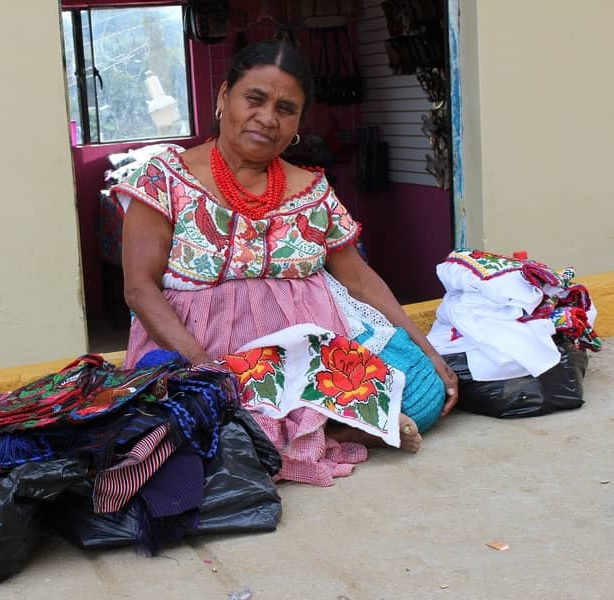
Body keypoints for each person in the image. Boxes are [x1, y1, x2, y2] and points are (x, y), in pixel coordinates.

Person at [113, 40, 457, 471]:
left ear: (297, 122)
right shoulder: (164, 178)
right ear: (224, 98)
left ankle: (317, 427)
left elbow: (360, 280)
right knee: (183, 430)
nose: (267, 118)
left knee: (426, 392)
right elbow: (139, 288)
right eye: (254, 99)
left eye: (285, 108)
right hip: (203, 349)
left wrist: (427, 349)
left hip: (311, 353)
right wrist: (206, 370)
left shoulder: (311, 189)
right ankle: (327, 428)